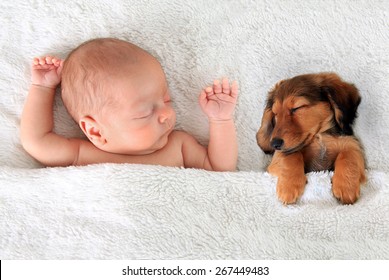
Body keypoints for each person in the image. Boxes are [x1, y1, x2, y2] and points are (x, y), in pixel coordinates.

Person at [20, 38, 238, 171]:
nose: (166, 114)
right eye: (145, 113)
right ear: (95, 130)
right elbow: (36, 141)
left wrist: (220, 120)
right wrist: (42, 88)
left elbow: (220, 168)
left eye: (165, 100)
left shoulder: (179, 146)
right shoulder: (80, 154)